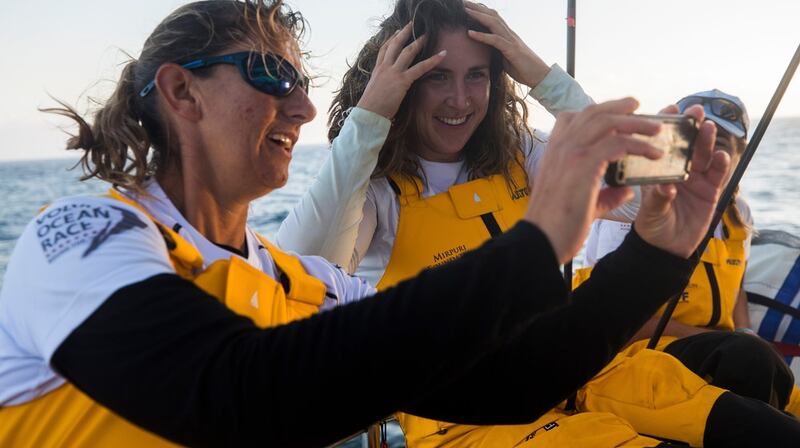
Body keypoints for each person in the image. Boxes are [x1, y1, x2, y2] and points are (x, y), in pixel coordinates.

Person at [0, 1, 754, 447]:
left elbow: (516, 380)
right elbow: (234, 396)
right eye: (270, 76)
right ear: (181, 92)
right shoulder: (82, 235)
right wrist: (538, 242)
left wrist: (655, 254)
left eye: (301, 84)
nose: (299, 108)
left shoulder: (295, 282)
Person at [276, 1, 800, 446]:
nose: (460, 101)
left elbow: (647, 195)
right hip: (463, 417)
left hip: (579, 367)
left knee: (759, 414)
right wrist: (371, 119)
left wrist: (541, 75)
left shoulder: (520, 153)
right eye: (437, 76)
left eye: (477, 74)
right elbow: (298, 275)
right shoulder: (374, 190)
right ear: (400, 81)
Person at [578, 89, 799, 414]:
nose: (704, 152)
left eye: (720, 142)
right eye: (692, 139)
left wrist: (745, 332)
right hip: (631, 357)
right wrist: (730, 342)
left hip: (714, 351)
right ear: (671, 144)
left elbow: (734, 287)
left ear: (741, 155)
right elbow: (617, 323)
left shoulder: (740, 213)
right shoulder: (637, 207)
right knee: (749, 360)